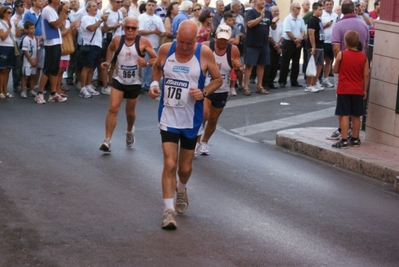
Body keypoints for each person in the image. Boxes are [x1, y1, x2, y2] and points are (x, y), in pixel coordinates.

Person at [148, 20, 223, 230]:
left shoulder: (204, 53)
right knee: (169, 163)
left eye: (189, 43)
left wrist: (204, 92)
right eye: (181, 42)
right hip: (168, 117)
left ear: (196, 39)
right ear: (176, 37)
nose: (184, 47)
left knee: (185, 168)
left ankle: (181, 189)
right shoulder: (165, 49)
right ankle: (168, 211)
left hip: (192, 120)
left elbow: (218, 80)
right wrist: (154, 85)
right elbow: (156, 68)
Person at [99, 16, 157, 152]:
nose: (130, 30)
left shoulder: (143, 42)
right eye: (127, 28)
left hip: (134, 83)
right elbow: (110, 48)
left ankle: (130, 130)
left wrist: (146, 63)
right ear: (123, 28)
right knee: (113, 108)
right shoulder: (117, 40)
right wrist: (108, 62)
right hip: (119, 80)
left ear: (137, 29)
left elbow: (157, 58)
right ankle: (107, 140)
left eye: (133, 28)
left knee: (129, 113)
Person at [196, 24, 243, 155]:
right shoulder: (205, 47)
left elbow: (239, 71)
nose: (222, 41)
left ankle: (204, 142)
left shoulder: (233, 50)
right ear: (215, 36)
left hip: (222, 89)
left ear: (229, 39)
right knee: (204, 115)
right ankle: (196, 142)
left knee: (213, 119)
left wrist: (239, 68)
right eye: (220, 38)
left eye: (225, 39)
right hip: (206, 87)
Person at [326, 0, 369, 140]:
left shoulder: (338, 26)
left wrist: (339, 61)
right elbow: (367, 47)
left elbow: (335, 48)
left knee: (342, 105)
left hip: (344, 69)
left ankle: (342, 131)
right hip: (359, 68)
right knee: (357, 111)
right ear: (354, 10)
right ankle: (355, 137)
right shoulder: (364, 25)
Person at [332, 30, 369, 148]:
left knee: (345, 114)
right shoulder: (363, 57)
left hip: (344, 89)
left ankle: (343, 140)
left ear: (346, 42)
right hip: (357, 89)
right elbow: (366, 75)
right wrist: (364, 90)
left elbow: (335, 69)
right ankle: (355, 138)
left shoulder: (341, 54)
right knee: (357, 115)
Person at [34, 0, 70, 104]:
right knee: (48, 68)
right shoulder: (48, 10)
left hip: (56, 41)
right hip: (51, 42)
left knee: (54, 69)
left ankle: (53, 93)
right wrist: (63, 12)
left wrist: (62, 13)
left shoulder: (53, 10)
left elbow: (59, 24)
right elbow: (55, 25)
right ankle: (39, 93)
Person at [242, 0, 276, 96]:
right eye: (260, 0)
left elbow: (272, 27)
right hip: (252, 43)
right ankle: (245, 87)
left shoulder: (268, 13)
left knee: (261, 65)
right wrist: (260, 17)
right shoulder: (251, 12)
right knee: (249, 65)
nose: (263, 2)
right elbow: (249, 24)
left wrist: (274, 23)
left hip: (264, 44)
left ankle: (259, 86)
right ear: (255, 2)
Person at [79, 1, 109, 98]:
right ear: (88, 8)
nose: (96, 8)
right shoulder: (85, 18)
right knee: (86, 67)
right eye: (93, 6)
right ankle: (83, 88)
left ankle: (88, 85)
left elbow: (104, 30)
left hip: (97, 46)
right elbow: (91, 28)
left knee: (92, 68)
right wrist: (100, 20)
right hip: (89, 45)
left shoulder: (96, 18)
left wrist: (104, 22)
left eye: (96, 6)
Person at [138, 0, 165, 92]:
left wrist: (159, 33)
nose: (150, 7)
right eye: (149, 5)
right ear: (145, 7)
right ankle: (140, 84)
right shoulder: (141, 17)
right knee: (142, 65)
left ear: (155, 7)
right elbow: (140, 31)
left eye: (153, 5)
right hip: (143, 46)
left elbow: (163, 33)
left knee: (152, 65)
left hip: (154, 45)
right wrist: (153, 31)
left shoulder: (158, 18)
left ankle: (148, 83)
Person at [278, 2, 306, 88]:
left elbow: (303, 31)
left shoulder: (300, 19)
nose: (299, 10)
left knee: (296, 62)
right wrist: (295, 40)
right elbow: (288, 31)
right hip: (289, 42)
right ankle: (282, 81)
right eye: (298, 8)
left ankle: (294, 80)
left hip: (297, 42)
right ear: (293, 9)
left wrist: (300, 39)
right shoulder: (288, 19)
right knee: (285, 62)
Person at [305, 2, 325, 93]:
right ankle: (309, 84)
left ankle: (315, 81)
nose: (321, 11)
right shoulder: (312, 20)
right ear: (314, 10)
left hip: (320, 45)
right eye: (319, 10)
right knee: (312, 65)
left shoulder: (319, 20)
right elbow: (311, 34)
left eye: (322, 10)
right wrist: (313, 46)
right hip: (315, 46)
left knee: (320, 64)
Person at [263, 5, 283, 90]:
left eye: (277, 11)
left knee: (275, 65)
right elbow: (269, 36)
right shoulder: (269, 22)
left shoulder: (281, 23)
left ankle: (271, 81)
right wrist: (275, 45)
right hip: (271, 46)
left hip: (278, 46)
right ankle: (265, 82)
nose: (276, 13)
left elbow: (283, 36)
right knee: (268, 65)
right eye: (274, 11)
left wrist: (279, 45)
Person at [321, 0, 338, 89]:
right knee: (320, 61)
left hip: (332, 41)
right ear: (324, 5)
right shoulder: (321, 14)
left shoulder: (335, 15)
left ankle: (325, 79)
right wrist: (325, 25)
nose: (329, 6)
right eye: (327, 4)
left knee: (329, 61)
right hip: (323, 41)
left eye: (330, 4)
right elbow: (318, 27)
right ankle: (317, 79)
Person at [0, 6, 16, 99]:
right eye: (8, 12)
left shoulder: (12, 23)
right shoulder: (1, 23)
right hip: (3, 47)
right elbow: (3, 36)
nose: (10, 14)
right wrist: (9, 28)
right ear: (3, 13)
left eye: (11, 12)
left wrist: (16, 25)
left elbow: (16, 35)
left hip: (11, 47)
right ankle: (1, 91)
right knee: (2, 70)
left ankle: (5, 90)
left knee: (8, 70)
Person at [20, 21, 38, 98]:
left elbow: (37, 50)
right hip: (27, 61)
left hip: (34, 60)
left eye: (34, 28)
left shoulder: (35, 39)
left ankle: (31, 90)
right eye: (31, 28)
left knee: (33, 76)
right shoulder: (26, 39)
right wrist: (30, 61)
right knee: (25, 76)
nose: (33, 30)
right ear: (26, 30)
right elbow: (25, 51)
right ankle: (23, 91)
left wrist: (36, 59)